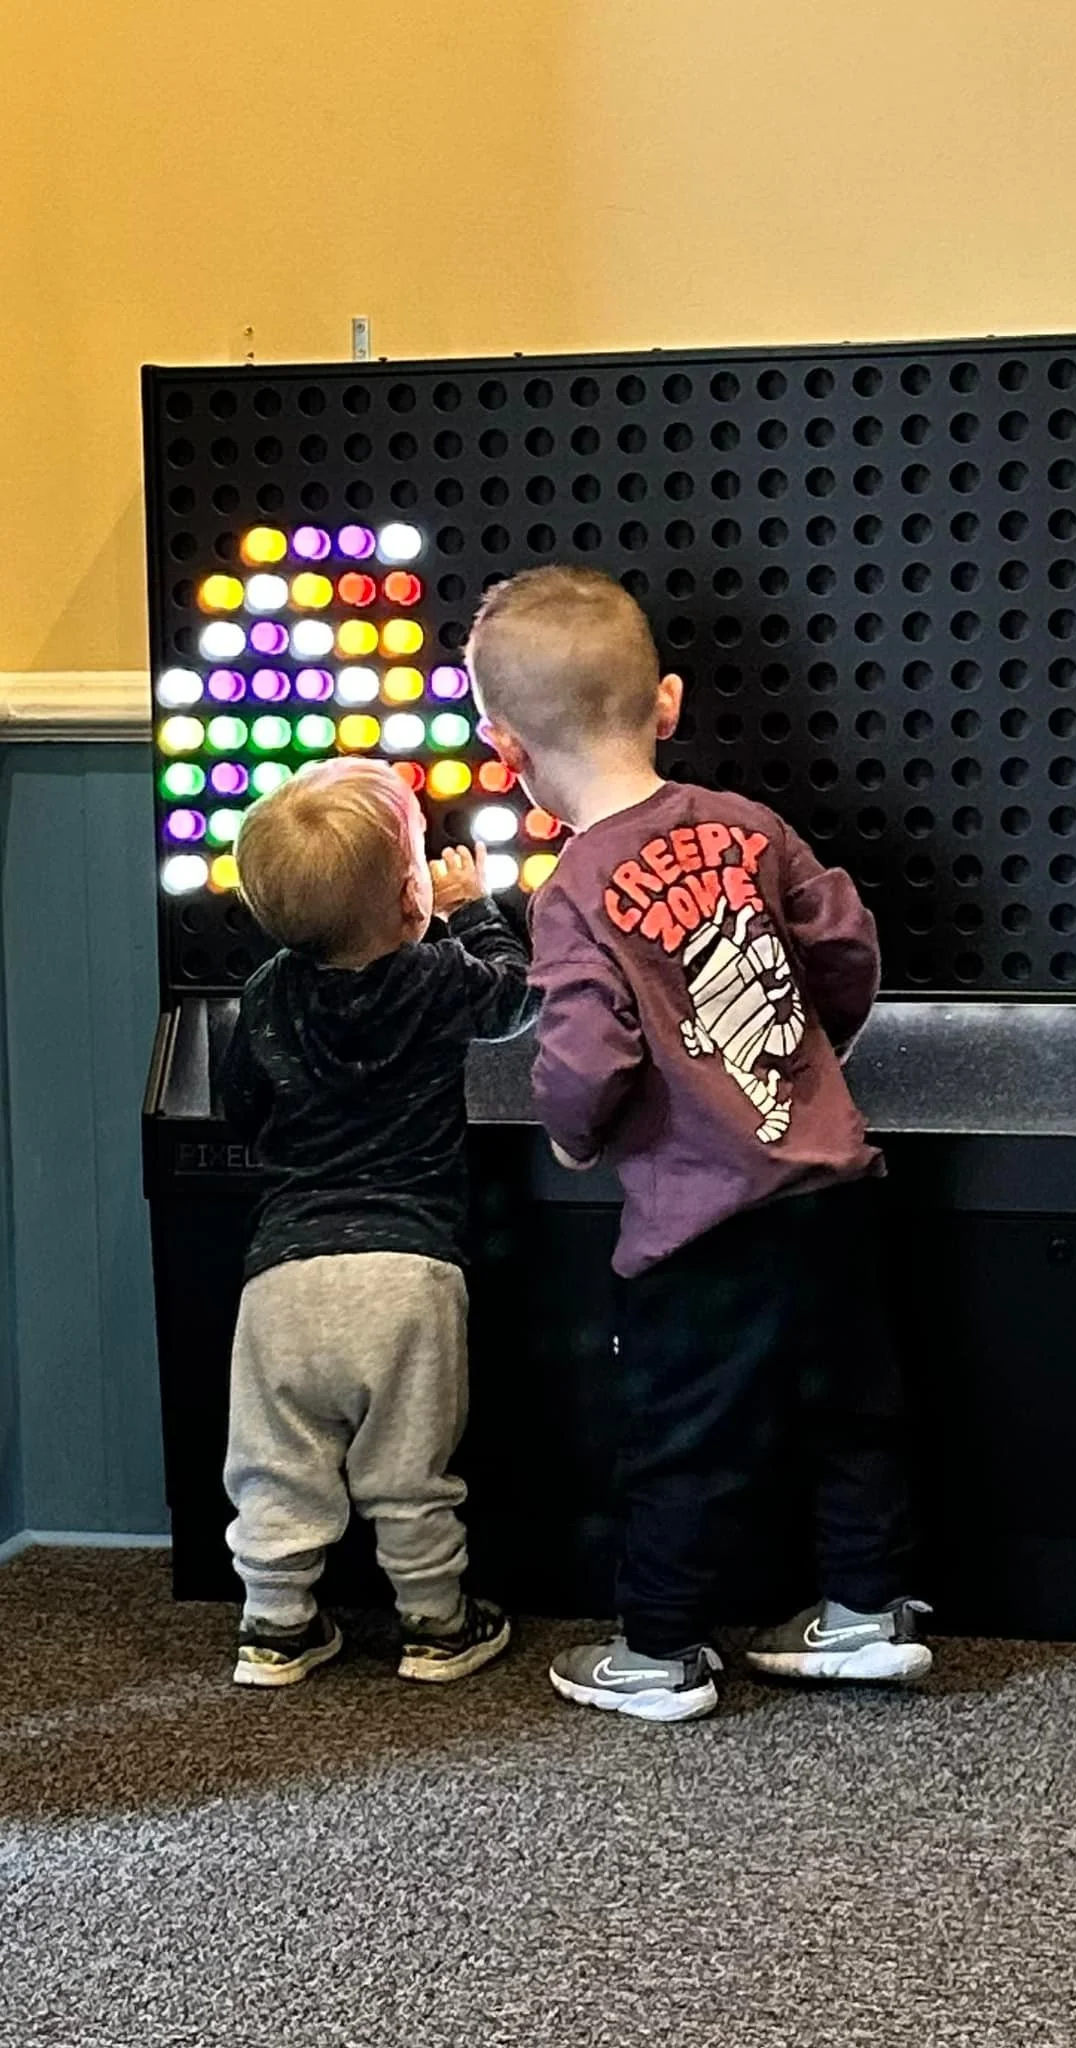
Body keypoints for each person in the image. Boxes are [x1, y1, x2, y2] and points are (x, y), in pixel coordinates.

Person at [467, 564, 931, 1724]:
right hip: (835, 1184)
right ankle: (869, 1612)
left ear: (504, 747)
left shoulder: (574, 884)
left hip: (702, 1223)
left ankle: (663, 1649)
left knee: (680, 1433)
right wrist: (811, 1056)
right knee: (854, 1410)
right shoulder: (750, 825)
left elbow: (585, 1055)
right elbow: (847, 949)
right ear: (665, 702)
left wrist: (577, 1139)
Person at [217, 757, 533, 1687]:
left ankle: (275, 1627)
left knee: (275, 1466)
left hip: (282, 1277)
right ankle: (437, 1623)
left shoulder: (266, 993)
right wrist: (472, 908)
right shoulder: (437, 974)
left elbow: (242, 1105)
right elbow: (513, 997)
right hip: (407, 1269)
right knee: (409, 1470)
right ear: (410, 896)